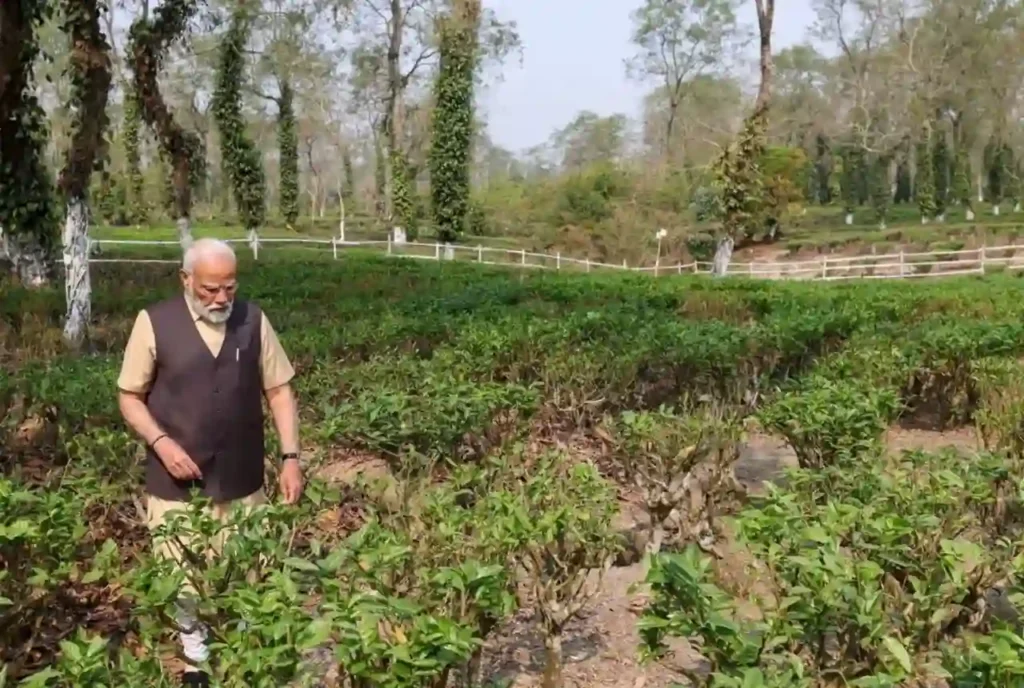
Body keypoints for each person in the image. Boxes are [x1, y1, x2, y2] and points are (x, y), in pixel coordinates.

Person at [117, 237, 303, 687]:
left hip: (242, 476)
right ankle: (196, 658)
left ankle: (240, 651)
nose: (221, 298)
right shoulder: (154, 323)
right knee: (183, 575)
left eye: (228, 288)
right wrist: (161, 442)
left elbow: (279, 391)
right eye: (209, 289)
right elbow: (129, 397)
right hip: (176, 482)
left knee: (246, 567)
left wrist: (291, 457)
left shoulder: (253, 321)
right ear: (186, 280)